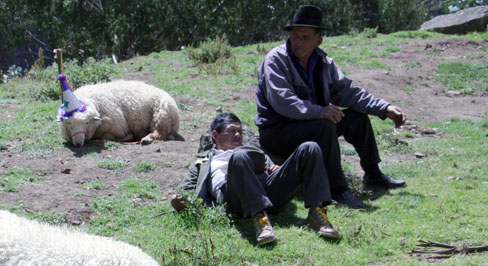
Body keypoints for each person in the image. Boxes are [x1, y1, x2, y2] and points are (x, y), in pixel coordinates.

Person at [256, 5, 407, 210]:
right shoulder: (275, 60)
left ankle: (373, 174)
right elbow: (283, 102)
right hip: (278, 132)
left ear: (318, 40)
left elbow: (349, 92)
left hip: (311, 127)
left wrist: (384, 108)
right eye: (295, 36)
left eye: (305, 37)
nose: (298, 42)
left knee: (356, 117)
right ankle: (338, 190)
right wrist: (319, 111)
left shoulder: (324, 62)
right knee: (325, 125)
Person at [171, 112, 340, 246]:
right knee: (238, 156)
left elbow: (271, 169)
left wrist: (277, 171)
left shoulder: (250, 152)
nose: (237, 135)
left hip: (266, 193)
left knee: (310, 147)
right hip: (233, 198)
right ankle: (260, 219)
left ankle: (317, 214)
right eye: (231, 131)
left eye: (239, 131)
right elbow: (184, 192)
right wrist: (178, 202)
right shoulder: (202, 163)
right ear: (215, 135)